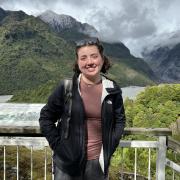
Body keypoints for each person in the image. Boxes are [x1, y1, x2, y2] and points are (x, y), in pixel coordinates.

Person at [39, 37, 126, 180]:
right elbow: (46, 117)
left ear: (102, 59)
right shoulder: (66, 88)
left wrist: (111, 145)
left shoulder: (112, 89)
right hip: (67, 163)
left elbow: (120, 121)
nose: (89, 62)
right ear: (78, 62)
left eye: (94, 56)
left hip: (97, 164)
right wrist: (58, 146)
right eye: (83, 58)